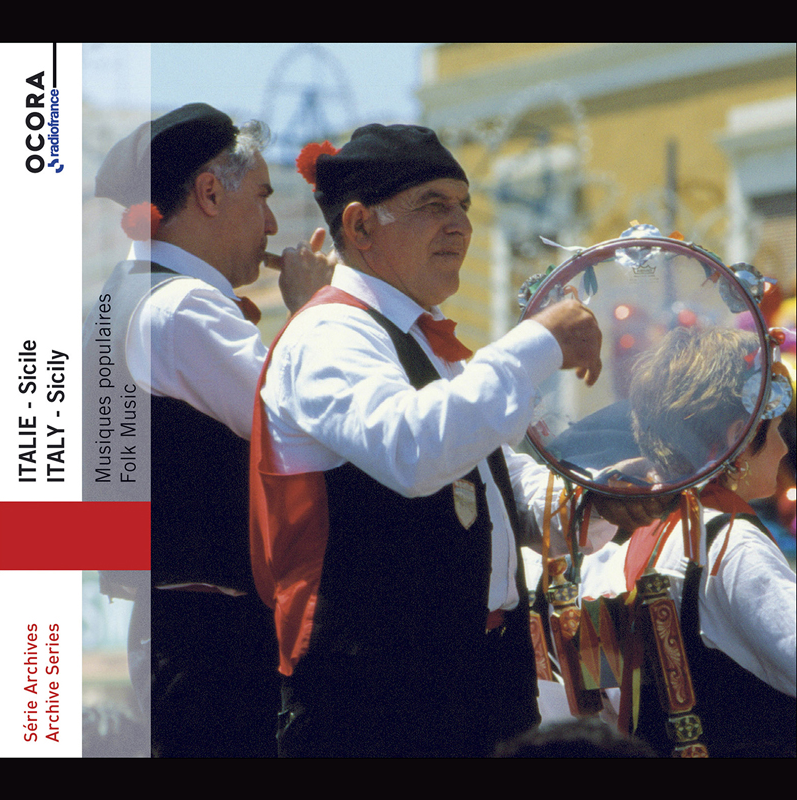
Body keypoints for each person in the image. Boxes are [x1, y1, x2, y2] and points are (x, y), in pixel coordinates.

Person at [249, 123, 669, 757]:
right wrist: (538, 341)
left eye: (464, 206)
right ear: (361, 228)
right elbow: (413, 453)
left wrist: (592, 498)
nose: (461, 226)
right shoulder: (330, 334)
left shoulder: (421, 340)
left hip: (476, 679)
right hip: (377, 695)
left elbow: (488, 485)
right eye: (433, 206)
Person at [83, 103, 333, 757]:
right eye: (263, 197)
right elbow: (305, 423)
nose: (275, 225)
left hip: (181, 630)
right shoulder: (181, 306)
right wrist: (316, 316)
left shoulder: (131, 294)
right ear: (210, 193)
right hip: (215, 638)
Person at [581, 326, 796, 757]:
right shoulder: (731, 546)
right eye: (773, 429)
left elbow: (600, 699)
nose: (783, 449)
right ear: (739, 434)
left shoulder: (620, 550)